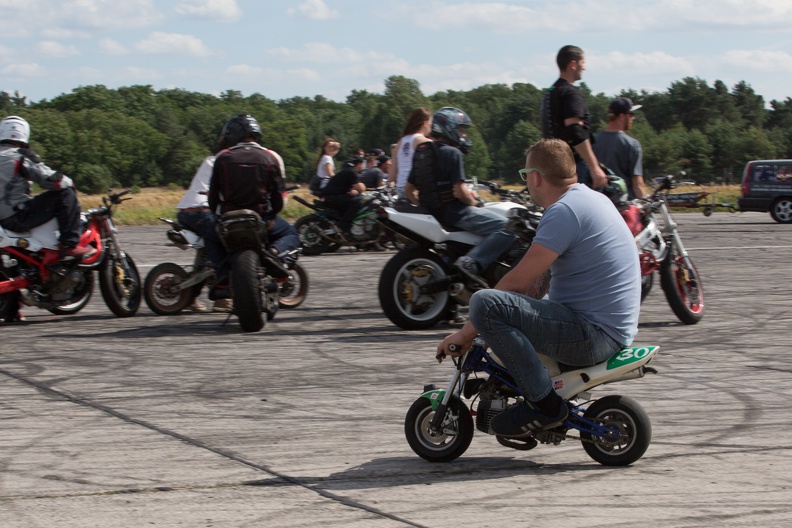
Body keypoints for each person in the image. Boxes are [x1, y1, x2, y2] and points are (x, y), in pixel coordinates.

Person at [436, 139, 641, 436]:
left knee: (485, 303)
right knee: (500, 306)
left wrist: (466, 333)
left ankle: (544, 404)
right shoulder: (592, 199)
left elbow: (518, 281)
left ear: (535, 177)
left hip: (592, 335)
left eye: (524, 176)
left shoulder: (563, 211)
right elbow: (537, 280)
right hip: (608, 330)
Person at [404, 106, 517, 289]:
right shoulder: (452, 153)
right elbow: (460, 191)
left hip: (432, 213)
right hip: (456, 213)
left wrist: (428, 205)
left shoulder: (423, 151)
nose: (462, 134)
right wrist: (475, 203)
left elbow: (409, 190)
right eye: (460, 129)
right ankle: (472, 261)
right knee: (509, 228)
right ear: (448, 128)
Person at [207, 114, 300, 311]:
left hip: (228, 220)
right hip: (259, 220)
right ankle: (274, 255)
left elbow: (213, 197)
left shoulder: (222, 158)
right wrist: (269, 217)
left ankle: (222, 276)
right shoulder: (270, 157)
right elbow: (277, 200)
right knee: (291, 233)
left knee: (211, 237)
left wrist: (218, 216)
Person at [0, 116, 94, 262]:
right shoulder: (21, 156)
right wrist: (67, 182)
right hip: (17, 217)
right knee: (66, 193)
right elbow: (51, 180)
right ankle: (69, 245)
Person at [540, 45, 607, 190]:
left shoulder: (550, 93)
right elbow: (575, 130)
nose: (584, 68)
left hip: (553, 165)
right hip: (574, 166)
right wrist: (594, 166)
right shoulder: (571, 93)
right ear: (573, 64)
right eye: (583, 63)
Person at [176, 155, 228, 313]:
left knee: (206, 252)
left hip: (186, 212)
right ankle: (222, 298)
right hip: (202, 212)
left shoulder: (211, 160)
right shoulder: (228, 163)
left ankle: (190, 297)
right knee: (224, 248)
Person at [594, 97, 648, 200]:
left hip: (599, 203)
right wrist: (644, 202)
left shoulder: (592, 142)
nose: (634, 118)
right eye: (631, 115)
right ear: (622, 116)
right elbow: (637, 183)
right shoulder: (632, 144)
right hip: (624, 205)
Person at [389, 107, 432, 199]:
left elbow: (392, 177)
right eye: (431, 124)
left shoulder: (400, 142)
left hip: (400, 190)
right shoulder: (424, 142)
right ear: (425, 123)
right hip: (416, 192)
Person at [321, 156, 366, 237]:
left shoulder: (346, 171)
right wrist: (361, 188)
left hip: (330, 196)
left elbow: (352, 187)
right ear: (359, 164)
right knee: (358, 202)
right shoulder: (351, 172)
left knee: (355, 199)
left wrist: (355, 191)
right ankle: (343, 227)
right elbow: (361, 188)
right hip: (331, 197)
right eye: (362, 165)